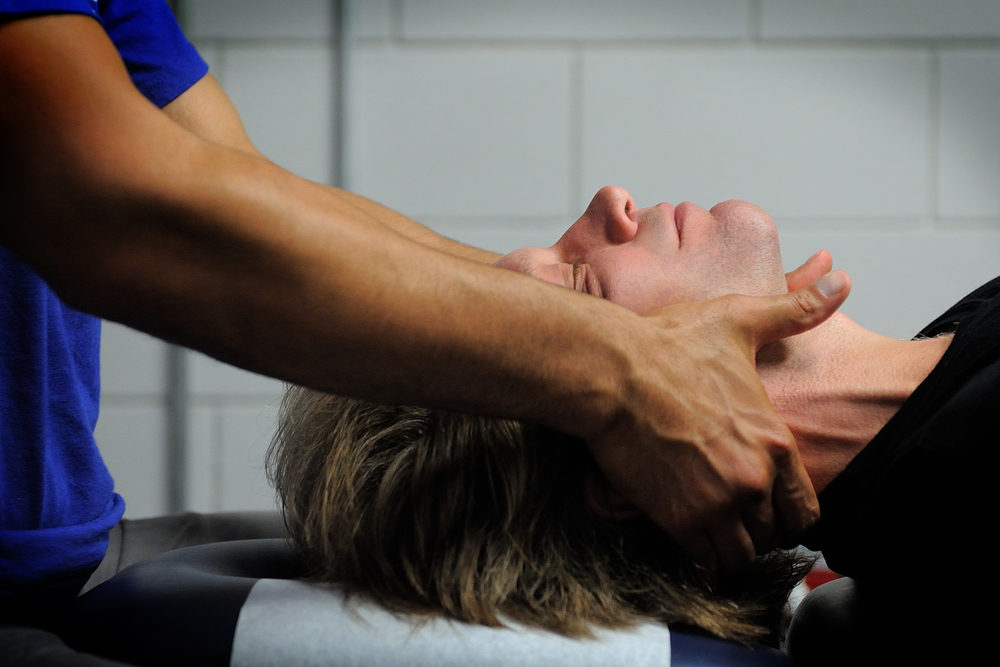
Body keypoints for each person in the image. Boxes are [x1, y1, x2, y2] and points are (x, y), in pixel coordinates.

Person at [0, 4, 848, 662]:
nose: (613, 196)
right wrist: (621, 367)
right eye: (577, 284)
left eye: (576, 288)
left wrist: (573, 320)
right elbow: (97, 197)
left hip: (52, 546)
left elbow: (241, 188)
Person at [270, 187, 995, 661]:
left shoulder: (955, 361)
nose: (608, 203)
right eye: (578, 281)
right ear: (626, 473)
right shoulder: (968, 489)